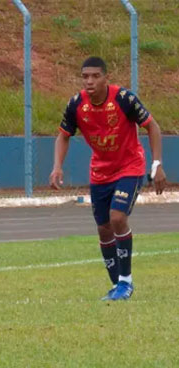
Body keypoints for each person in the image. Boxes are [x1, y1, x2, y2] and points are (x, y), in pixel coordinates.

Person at [49, 56, 166, 301]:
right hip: (100, 172)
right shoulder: (76, 104)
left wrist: (156, 164)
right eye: (85, 77)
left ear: (105, 78)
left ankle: (126, 282)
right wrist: (57, 166)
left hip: (129, 167)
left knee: (117, 218)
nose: (89, 81)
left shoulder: (124, 99)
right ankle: (117, 285)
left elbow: (152, 126)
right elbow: (63, 135)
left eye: (95, 76)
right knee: (103, 229)